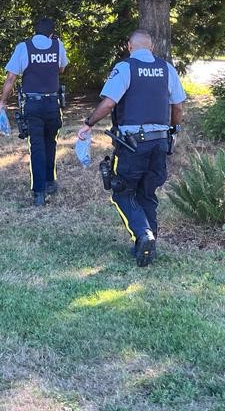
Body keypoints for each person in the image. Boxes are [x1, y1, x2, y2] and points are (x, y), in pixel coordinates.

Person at [77, 29, 185, 266]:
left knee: (122, 191)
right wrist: (174, 131)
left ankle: (143, 234)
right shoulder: (167, 69)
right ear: (152, 48)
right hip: (159, 142)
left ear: (129, 46)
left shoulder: (125, 68)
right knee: (147, 193)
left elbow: (108, 104)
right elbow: (177, 108)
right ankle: (147, 246)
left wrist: (88, 124)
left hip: (133, 144)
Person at [0, 18, 69, 206]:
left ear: (34, 32)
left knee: (36, 146)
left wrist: (3, 102)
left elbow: (11, 77)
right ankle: (50, 181)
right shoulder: (57, 45)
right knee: (50, 142)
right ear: (51, 33)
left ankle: (39, 192)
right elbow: (61, 68)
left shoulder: (24, 47)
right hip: (53, 103)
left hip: (32, 104)